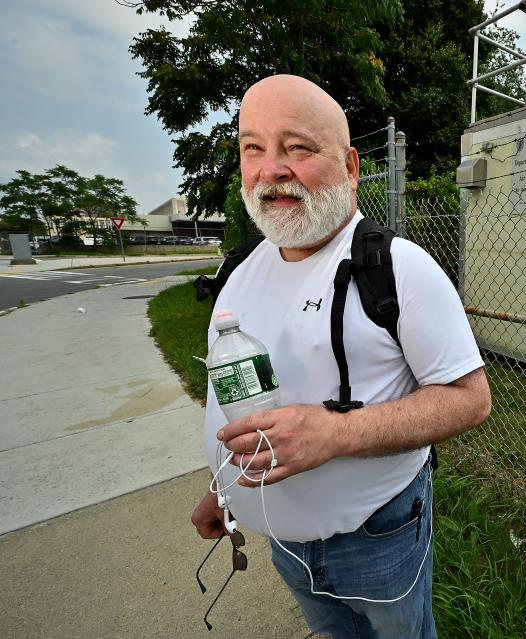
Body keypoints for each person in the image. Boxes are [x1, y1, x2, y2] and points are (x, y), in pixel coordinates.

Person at [190, 74, 491, 638]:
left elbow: (470, 401)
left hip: (377, 538)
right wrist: (219, 486)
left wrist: (333, 434)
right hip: (284, 541)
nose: (271, 168)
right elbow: (238, 396)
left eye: (297, 147)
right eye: (253, 148)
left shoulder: (400, 269)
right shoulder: (237, 273)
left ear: (351, 165)